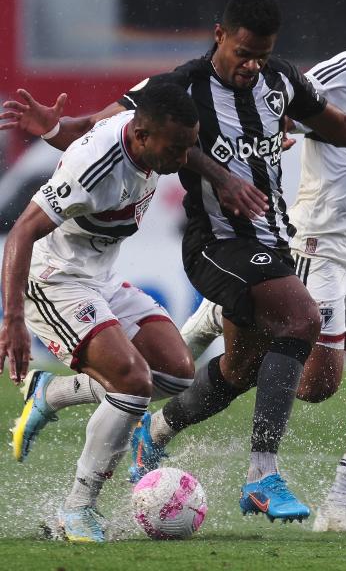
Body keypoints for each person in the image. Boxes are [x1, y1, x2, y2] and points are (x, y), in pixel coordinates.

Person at [2, 0, 346, 526]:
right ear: (220, 37)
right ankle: (262, 475)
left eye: (262, 55)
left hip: (272, 241)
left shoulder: (280, 80)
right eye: (243, 54)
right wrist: (56, 130)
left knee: (235, 369)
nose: (251, 66)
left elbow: (345, 127)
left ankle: (101, 407)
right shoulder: (178, 86)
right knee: (300, 320)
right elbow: (106, 130)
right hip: (216, 243)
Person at [179, 0, 346, 534]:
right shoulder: (338, 72)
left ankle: (341, 508)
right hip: (316, 244)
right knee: (317, 384)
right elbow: (286, 106)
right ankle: (227, 315)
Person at [0, 82, 228, 543]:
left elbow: (92, 122)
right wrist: (13, 321)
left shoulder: (153, 115)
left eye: (189, 146)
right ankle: (76, 510)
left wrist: (55, 130)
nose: (183, 159)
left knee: (177, 371)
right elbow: (22, 231)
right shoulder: (97, 167)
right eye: (175, 149)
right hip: (53, 278)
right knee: (133, 383)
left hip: (99, 277)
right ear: (142, 137)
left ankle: (52, 393)